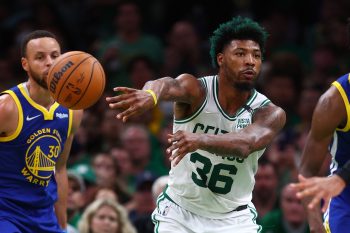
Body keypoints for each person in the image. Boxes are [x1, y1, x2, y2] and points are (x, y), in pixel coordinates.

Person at [107, 16, 286, 232]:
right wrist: (150, 94)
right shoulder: (197, 90)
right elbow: (167, 84)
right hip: (180, 212)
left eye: (256, 56)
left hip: (233, 219)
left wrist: (199, 139)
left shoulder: (269, 112)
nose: (250, 61)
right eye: (240, 53)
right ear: (221, 59)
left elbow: (246, 143)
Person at [0, 30, 83, 233]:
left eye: (55, 56)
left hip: (44, 216)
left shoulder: (73, 109)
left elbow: (60, 169)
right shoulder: (6, 107)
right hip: (6, 214)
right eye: (40, 57)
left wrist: (62, 225)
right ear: (25, 64)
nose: (49, 62)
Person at [290, 18, 350, 233]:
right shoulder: (334, 101)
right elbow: (307, 168)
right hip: (346, 204)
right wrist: (315, 225)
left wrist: (342, 177)